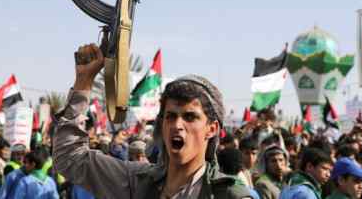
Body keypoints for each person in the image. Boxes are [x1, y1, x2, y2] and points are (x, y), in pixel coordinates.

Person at [53, 44, 253, 198]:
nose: (177, 125)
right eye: (171, 116)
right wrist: (84, 82)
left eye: (190, 117)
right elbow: (70, 158)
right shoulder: (138, 181)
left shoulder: (228, 195)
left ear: (212, 129)